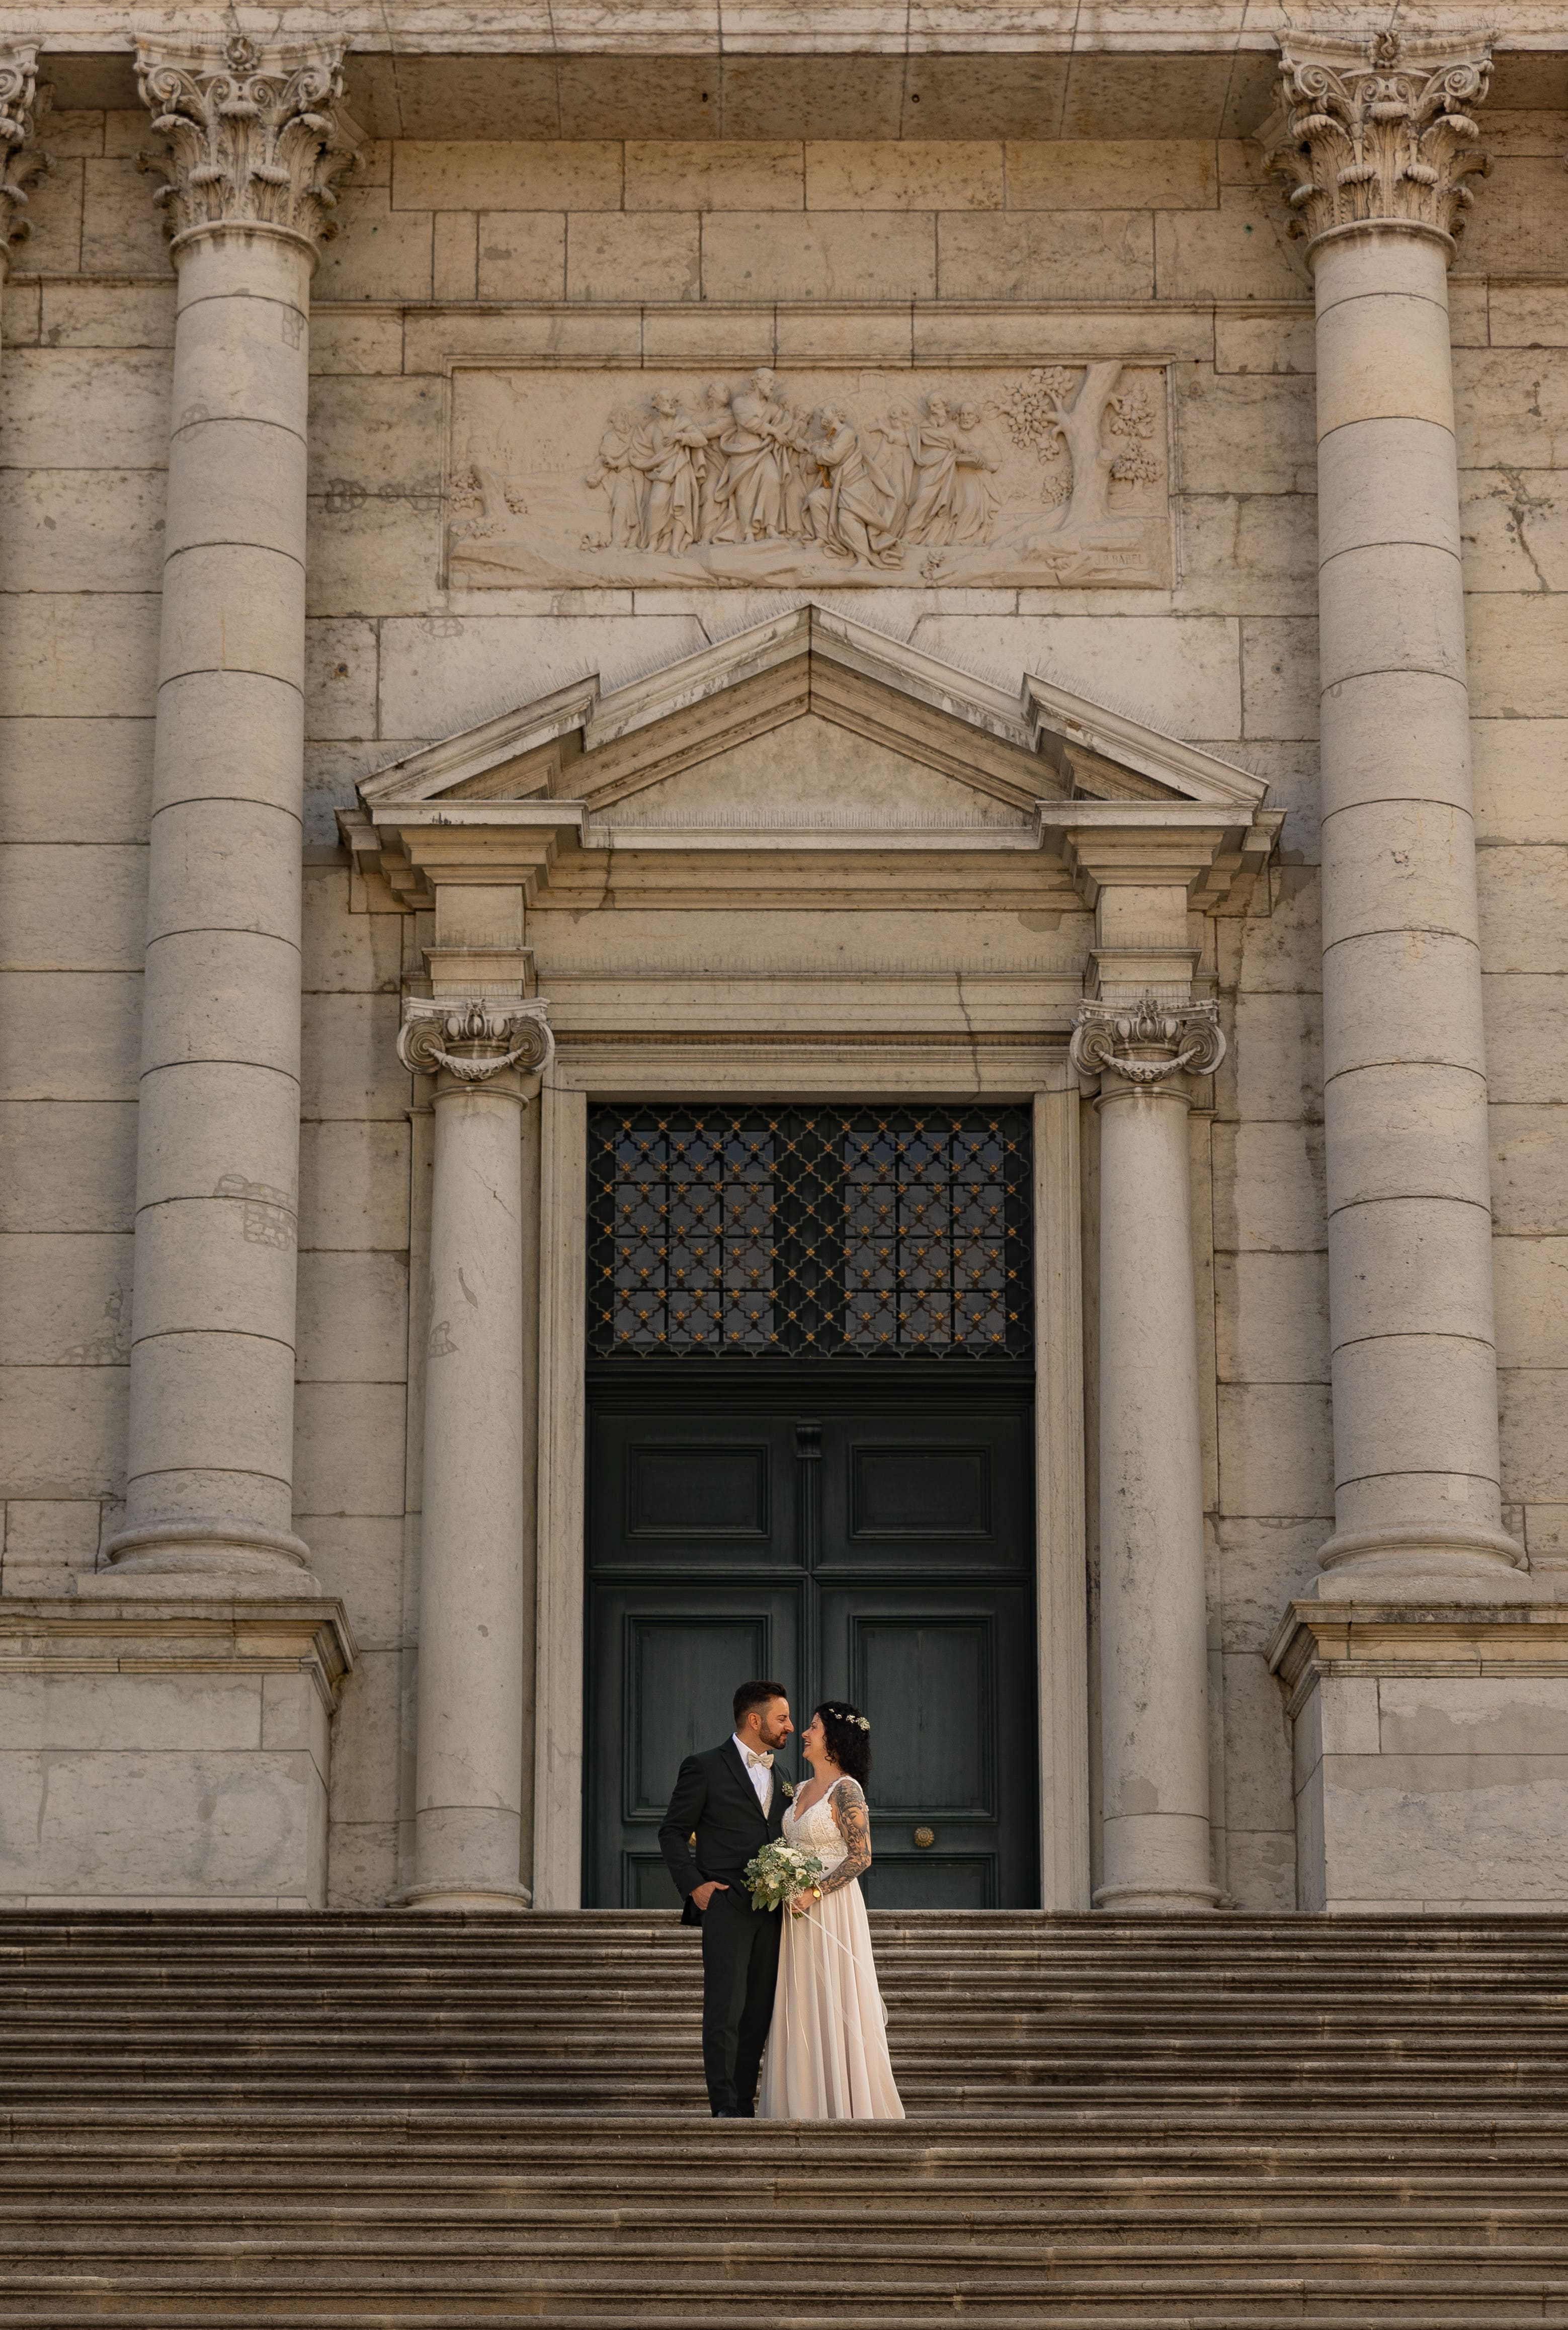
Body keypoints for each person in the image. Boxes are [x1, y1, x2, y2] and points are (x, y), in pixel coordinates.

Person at [756, 1701, 904, 2121]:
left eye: (813, 1727)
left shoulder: (847, 1790)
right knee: (800, 1997)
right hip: (793, 1910)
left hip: (831, 1907)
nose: (804, 1733)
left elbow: (861, 1857)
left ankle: (845, 2103)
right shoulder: (799, 1788)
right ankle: (800, 2102)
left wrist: (814, 1893)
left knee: (836, 1997)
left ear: (834, 1740)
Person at [658, 1679, 795, 2118]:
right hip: (727, 1903)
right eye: (782, 1718)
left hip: (775, 1911)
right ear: (755, 1720)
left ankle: (744, 2102)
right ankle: (723, 2106)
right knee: (726, 2009)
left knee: (758, 2012)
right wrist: (693, 1885)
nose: (790, 1726)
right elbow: (672, 1832)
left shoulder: (785, 1776)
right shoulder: (703, 1766)